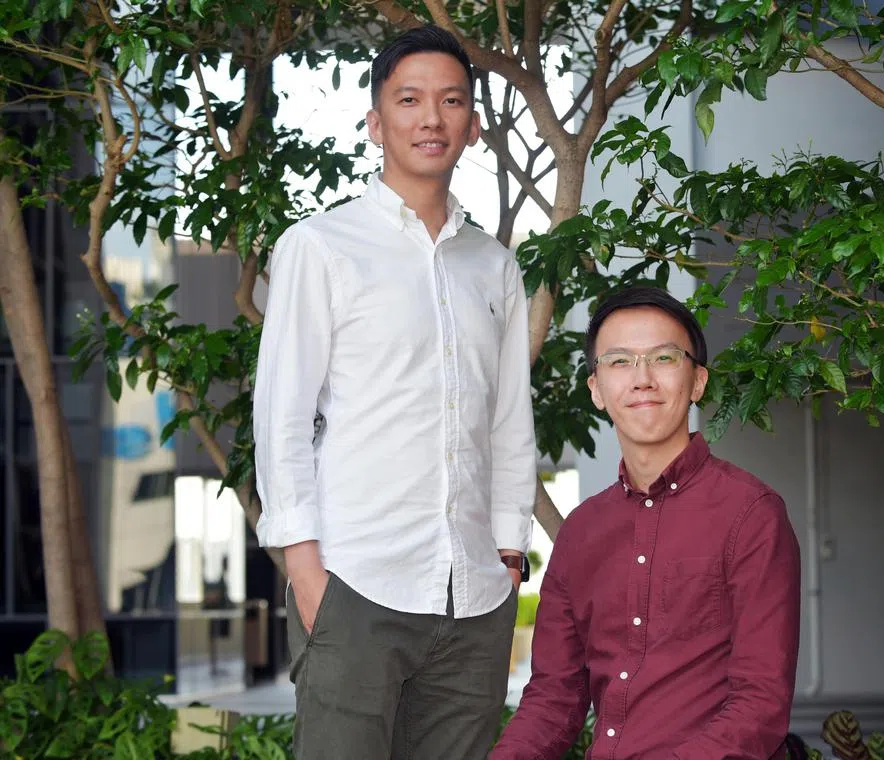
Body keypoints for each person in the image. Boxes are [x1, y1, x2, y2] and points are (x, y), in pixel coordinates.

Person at [252, 25, 537, 760]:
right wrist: (306, 571)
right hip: (356, 582)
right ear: (377, 122)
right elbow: (281, 414)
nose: (430, 118)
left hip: (474, 595)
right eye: (409, 100)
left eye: (450, 101)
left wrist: (508, 551)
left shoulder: (494, 265)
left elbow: (507, 419)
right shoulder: (320, 247)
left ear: (472, 126)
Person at [492, 287, 801, 760]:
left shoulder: (751, 513)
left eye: (663, 358)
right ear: (596, 389)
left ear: (698, 381)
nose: (642, 379)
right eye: (619, 362)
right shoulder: (582, 532)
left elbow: (759, 706)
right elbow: (555, 697)